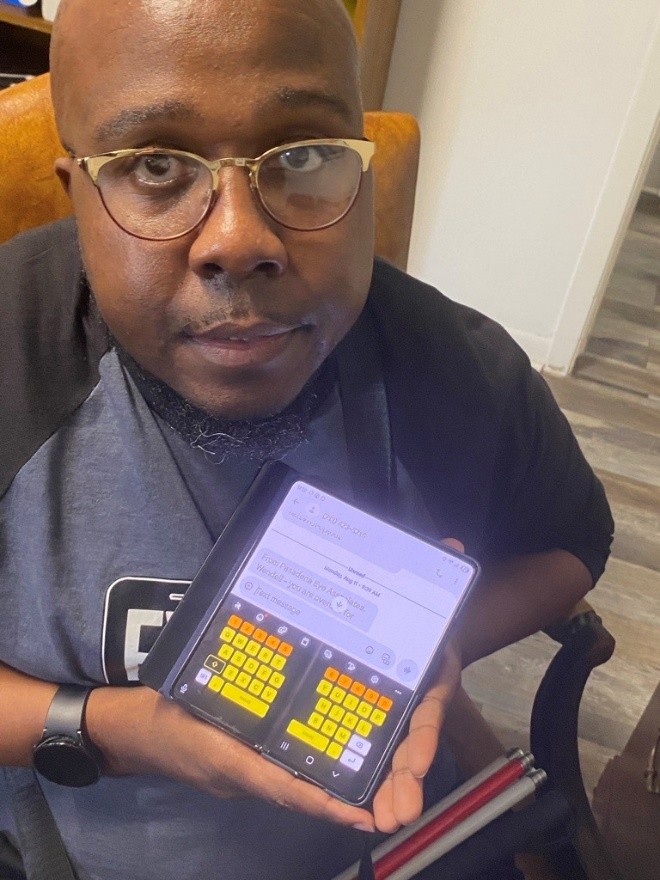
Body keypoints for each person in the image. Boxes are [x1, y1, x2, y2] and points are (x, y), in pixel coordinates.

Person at [0, 0, 613, 878]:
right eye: (157, 166)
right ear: (77, 195)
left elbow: (571, 543)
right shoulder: (12, 365)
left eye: (306, 156)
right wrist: (123, 733)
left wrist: (428, 650)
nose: (240, 239)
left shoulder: (455, 373)